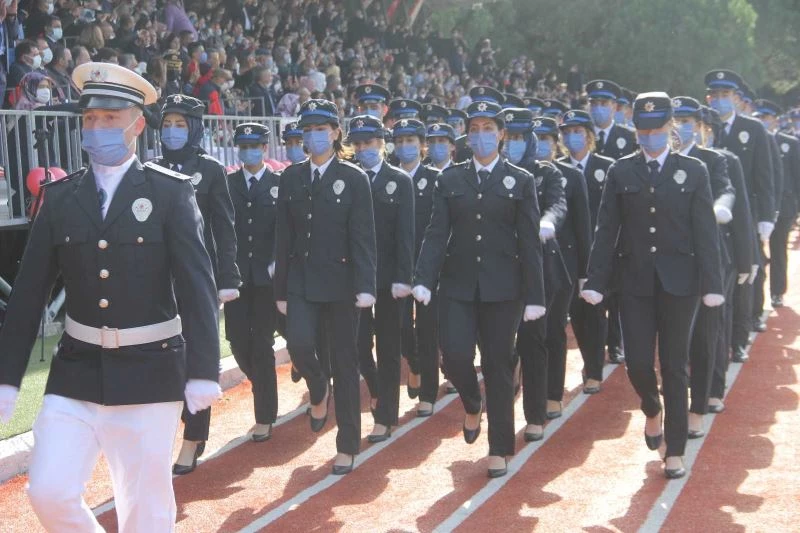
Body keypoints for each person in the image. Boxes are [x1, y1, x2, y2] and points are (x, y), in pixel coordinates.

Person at [0, 62, 221, 531]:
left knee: (145, 508)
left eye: (110, 118)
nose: (97, 128)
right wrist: (7, 378)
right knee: (49, 491)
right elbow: (28, 293)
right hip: (77, 371)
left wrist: (202, 371)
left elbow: (197, 287)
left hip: (151, 371)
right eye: (90, 118)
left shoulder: (169, 193)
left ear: (137, 125)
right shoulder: (61, 198)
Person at [581, 92, 723, 479]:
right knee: (639, 363)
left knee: (675, 365)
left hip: (682, 283)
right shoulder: (621, 171)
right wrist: (595, 279)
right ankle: (651, 408)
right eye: (643, 131)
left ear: (670, 128)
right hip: (635, 281)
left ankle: (675, 449)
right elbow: (606, 228)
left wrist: (713, 283)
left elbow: (705, 231)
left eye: (657, 130)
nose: (649, 138)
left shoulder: (693, 170)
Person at [413, 99, 545, 478]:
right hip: (457, 286)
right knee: (453, 356)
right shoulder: (450, 179)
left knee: (498, 366)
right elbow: (437, 233)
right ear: (466, 137)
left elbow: (529, 242)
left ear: (502, 135)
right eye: (475, 130)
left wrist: (535, 297)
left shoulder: (519, 181)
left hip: (505, 290)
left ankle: (499, 447)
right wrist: (424, 278)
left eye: (489, 130)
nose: (482, 136)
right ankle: (472, 402)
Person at [274, 98, 377, 475]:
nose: (315, 136)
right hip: (301, 280)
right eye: (309, 130)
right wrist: (281, 290)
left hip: (342, 283)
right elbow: (283, 238)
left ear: (335, 133)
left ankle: (348, 443)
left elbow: (363, 236)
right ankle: (318, 388)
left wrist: (366, 285)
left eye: (322, 129)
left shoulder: (354, 178)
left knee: (346, 364)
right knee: (298, 344)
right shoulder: (291, 176)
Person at [149, 94, 241, 474]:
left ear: (195, 127)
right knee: (161, 359)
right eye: (167, 124)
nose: (172, 131)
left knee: (197, 355)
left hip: (198, 278)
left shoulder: (211, 170)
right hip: (156, 280)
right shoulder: (149, 168)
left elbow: (224, 227)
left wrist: (227, 277)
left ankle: (193, 437)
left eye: (180, 124)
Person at [671, 96, 742, 438]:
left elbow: (728, 192)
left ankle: (699, 404)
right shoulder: (655, 162)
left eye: (688, 121)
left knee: (704, 335)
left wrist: (719, 209)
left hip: (709, 259)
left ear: (700, 127)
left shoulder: (714, 160)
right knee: (671, 342)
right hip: (667, 263)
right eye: (676, 121)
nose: (681, 128)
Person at [502, 107, 568, 440]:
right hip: (499, 270)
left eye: (518, 137)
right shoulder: (490, 173)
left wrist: (548, 222)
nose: (513, 143)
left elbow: (558, 204)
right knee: (498, 346)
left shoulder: (547, 173)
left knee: (534, 342)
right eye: (508, 136)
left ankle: (535, 414)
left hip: (538, 270)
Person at [349, 114, 414, 441]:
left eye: (369, 142)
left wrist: (405, 277)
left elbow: (405, 235)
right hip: (356, 278)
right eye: (358, 143)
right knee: (358, 346)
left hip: (389, 280)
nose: (363, 149)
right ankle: (376, 390)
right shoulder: (346, 178)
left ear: (382, 144)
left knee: (389, 346)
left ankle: (386, 414)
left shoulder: (399, 181)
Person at [704, 69, 774, 363]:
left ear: (736, 97)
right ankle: (713, 342)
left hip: (745, 216)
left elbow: (764, 177)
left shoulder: (753, 128)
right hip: (709, 218)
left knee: (745, 279)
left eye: (725, 95)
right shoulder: (704, 127)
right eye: (715, 95)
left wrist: (765, 219)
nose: (720, 101)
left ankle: (739, 339)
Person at [532, 115, 592, 419]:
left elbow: (583, 228)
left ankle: (552, 394)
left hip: (562, 267)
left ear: (556, 144)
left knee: (554, 329)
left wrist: (585, 274)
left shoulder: (571, 175)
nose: (541, 144)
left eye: (546, 139)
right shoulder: (520, 174)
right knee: (530, 332)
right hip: (527, 266)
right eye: (536, 138)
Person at [558, 109, 615, 394]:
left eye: (577, 132)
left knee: (596, 312)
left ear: (589, 136)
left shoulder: (607, 167)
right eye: (566, 133)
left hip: (601, 250)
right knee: (577, 313)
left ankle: (594, 368)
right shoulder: (558, 170)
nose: (571, 137)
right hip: (569, 253)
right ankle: (589, 359)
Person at [585, 79, 638, 365]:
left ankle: (615, 342)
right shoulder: (580, 134)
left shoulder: (627, 137)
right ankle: (597, 345)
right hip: (591, 221)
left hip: (621, 224)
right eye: (594, 103)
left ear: (615, 107)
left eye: (604, 104)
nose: (598, 109)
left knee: (617, 291)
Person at [394, 118, 440, 416]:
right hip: (397, 266)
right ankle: (412, 361)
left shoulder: (436, 178)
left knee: (428, 329)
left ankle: (428, 393)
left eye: (411, 140)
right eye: (399, 141)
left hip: (428, 266)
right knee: (399, 328)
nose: (404, 146)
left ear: (423, 145)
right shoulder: (389, 177)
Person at [754, 100, 800, 309]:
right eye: (759, 117)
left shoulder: (790, 143)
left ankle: (777, 292)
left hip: (783, 206)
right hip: (758, 205)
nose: (762, 121)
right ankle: (756, 298)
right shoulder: (752, 140)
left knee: (778, 249)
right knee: (756, 252)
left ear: (774, 119)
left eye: (766, 117)